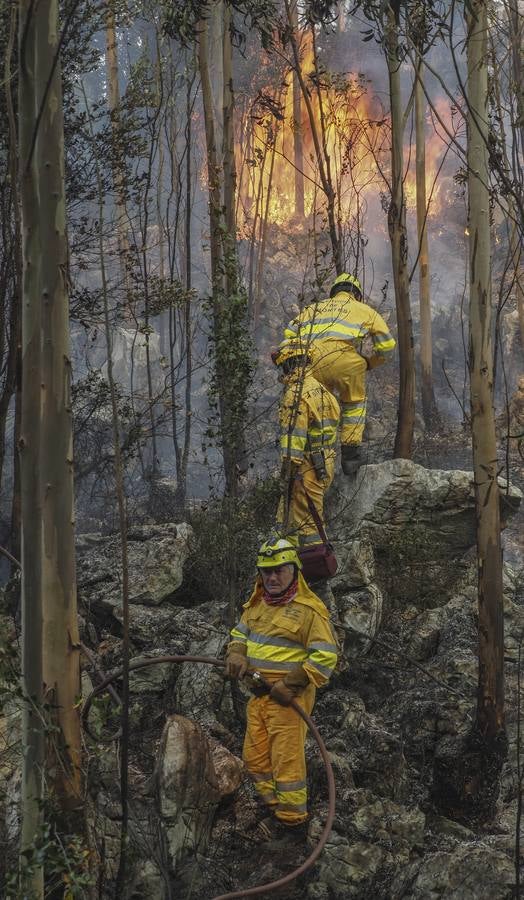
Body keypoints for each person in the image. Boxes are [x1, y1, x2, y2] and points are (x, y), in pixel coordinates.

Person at [225, 538, 338, 835]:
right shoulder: (257, 605)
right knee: (254, 758)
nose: (272, 577)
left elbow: (325, 656)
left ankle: (291, 823)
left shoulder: (308, 611)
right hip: (259, 697)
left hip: (289, 701)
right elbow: (240, 633)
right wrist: (236, 652)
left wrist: (291, 684)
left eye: (279, 570)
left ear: (294, 571)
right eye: (266, 571)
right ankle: (272, 808)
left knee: (286, 762)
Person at [282, 272, 396, 475]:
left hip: (311, 362)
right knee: (354, 403)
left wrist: (294, 361)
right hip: (346, 363)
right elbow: (387, 345)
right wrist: (370, 363)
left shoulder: (312, 308)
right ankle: (351, 457)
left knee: (319, 405)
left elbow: (290, 334)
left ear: (334, 292)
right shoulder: (365, 310)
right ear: (357, 295)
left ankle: (317, 457)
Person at [272, 339, 340, 548]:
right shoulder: (321, 389)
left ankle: (313, 568)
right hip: (323, 463)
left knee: (308, 527)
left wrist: (288, 474)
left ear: (288, 364)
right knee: (290, 519)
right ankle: (288, 561)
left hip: (305, 468)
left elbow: (294, 443)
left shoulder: (296, 394)